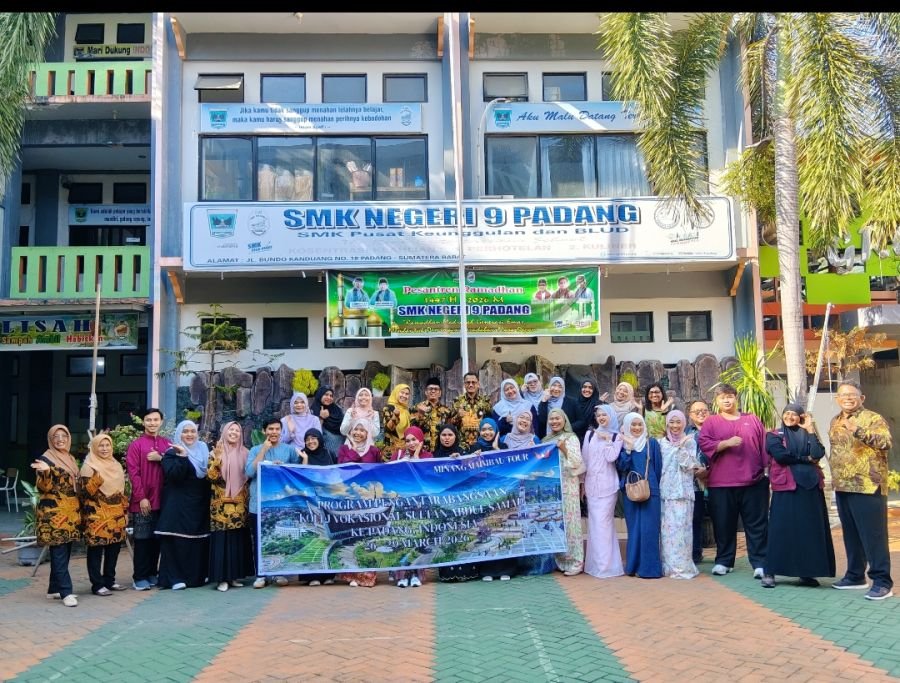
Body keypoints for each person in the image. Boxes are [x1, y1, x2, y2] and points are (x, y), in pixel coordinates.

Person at [828, 381, 893, 600]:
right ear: (837, 399)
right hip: (843, 486)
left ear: (861, 398)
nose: (847, 398)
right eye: (843, 395)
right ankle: (855, 576)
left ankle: (882, 581)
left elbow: (886, 442)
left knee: (874, 536)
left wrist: (858, 431)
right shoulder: (835, 420)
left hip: (867, 485)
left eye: (852, 395)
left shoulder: (873, 418)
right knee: (852, 534)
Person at [697, 384, 769, 579]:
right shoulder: (711, 422)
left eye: (730, 396)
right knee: (723, 524)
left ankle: (760, 562)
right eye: (722, 398)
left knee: (757, 525)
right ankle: (724, 561)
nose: (727, 400)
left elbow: (764, 446)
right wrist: (725, 444)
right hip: (721, 483)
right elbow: (704, 443)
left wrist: (765, 471)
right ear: (717, 401)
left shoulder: (752, 419)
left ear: (736, 398)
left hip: (753, 482)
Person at [762, 404, 835, 589]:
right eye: (786, 413)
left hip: (810, 488)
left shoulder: (807, 433)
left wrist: (810, 429)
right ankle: (770, 572)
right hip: (786, 487)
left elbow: (818, 453)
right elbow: (781, 456)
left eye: (794, 414)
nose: (789, 417)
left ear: (801, 417)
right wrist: (805, 459)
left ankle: (806, 573)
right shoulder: (774, 435)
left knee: (808, 530)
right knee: (780, 529)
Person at [156, 420, 211, 590]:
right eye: (185, 431)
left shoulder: (203, 451)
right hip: (178, 506)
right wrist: (182, 457)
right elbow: (174, 476)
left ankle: (196, 577)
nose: (189, 435)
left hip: (198, 505)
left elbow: (209, 477)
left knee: (196, 542)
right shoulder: (171, 453)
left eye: (192, 431)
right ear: (179, 434)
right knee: (176, 542)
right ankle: (174, 578)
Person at [246, 417, 300, 589]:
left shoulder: (289, 450)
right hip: (258, 503)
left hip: (281, 503)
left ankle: (280, 572)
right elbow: (249, 472)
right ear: (264, 431)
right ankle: (261, 575)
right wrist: (264, 450)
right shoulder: (255, 450)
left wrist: (281, 468)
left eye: (277, 429)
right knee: (259, 540)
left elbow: (297, 473)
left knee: (279, 539)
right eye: (271, 429)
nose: (274, 432)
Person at [31, 425, 81, 607]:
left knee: (65, 551)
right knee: (59, 551)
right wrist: (45, 472)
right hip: (54, 514)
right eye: (56, 436)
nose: (60, 439)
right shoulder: (46, 458)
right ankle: (66, 592)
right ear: (50, 439)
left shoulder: (70, 457)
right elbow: (43, 487)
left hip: (70, 513)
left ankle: (54, 589)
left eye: (64, 436)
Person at [126, 408, 171, 591]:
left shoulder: (167, 444)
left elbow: (173, 466)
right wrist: (141, 497)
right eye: (148, 420)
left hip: (163, 500)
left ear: (161, 421)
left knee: (157, 539)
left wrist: (161, 458)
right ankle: (140, 576)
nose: (152, 423)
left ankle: (153, 572)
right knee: (142, 539)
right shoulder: (136, 445)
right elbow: (133, 473)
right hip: (143, 501)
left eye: (155, 420)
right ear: (143, 422)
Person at [207, 421, 254, 593]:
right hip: (221, 506)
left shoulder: (246, 453)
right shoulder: (215, 452)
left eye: (237, 430)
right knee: (222, 542)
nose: (234, 433)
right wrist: (218, 459)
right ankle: (221, 579)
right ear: (225, 432)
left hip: (240, 505)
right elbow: (211, 477)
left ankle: (234, 577)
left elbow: (250, 474)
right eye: (231, 430)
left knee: (237, 541)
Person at [80, 433, 128, 596]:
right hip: (97, 515)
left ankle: (110, 580)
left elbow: (121, 490)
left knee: (113, 548)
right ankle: (97, 584)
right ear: (94, 447)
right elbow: (86, 492)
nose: (105, 448)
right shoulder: (89, 466)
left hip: (116, 514)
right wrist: (97, 479)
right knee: (96, 549)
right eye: (101, 445)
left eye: (107, 445)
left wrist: (124, 511)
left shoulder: (115, 464)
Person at [617, 413, 663, 578]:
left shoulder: (652, 443)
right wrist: (628, 450)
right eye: (633, 425)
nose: (636, 428)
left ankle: (649, 569)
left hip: (651, 490)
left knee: (650, 529)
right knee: (634, 529)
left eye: (639, 425)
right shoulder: (624, 444)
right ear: (628, 426)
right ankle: (633, 567)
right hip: (630, 491)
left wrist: (653, 485)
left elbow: (658, 468)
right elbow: (621, 467)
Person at [336, 418, 381, 589]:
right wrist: (353, 451)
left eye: (362, 430)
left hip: (369, 501)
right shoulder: (343, 449)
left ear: (368, 433)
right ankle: (352, 575)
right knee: (352, 537)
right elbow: (341, 469)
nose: (358, 433)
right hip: (350, 500)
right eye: (356, 429)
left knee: (369, 536)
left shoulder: (374, 450)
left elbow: (379, 472)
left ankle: (368, 576)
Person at [582, 405, 625, 579]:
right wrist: (582, 483)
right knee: (594, 525)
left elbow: (611, 457)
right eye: (599, 415)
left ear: (611, 416)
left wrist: (607, 440)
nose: (601, 418)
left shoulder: (617, 436)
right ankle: (595, 565)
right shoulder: (589, 434)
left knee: (604, 524)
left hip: (608, 486)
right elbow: (585, 459)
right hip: (592, 485)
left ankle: (607, 566)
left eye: (604, 415)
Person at [542, 408, 585, 576]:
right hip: (551, 488)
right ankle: (560, 560)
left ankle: (575, 561)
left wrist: (564, 449)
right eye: (551, 419)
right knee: (555, 523)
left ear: (564, 420)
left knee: (570, 524)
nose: (554, 422)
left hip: (568, 486)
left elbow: (577, 462)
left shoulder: (571, 438)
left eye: (557, 418)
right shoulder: (546, 439)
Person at [658, 410, 700, 579]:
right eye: (672, 422)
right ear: (667, 423)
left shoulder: (689, 442)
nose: (675, 426)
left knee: (682, 531)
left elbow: (689, 465)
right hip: (666, 492)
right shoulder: (661, 443)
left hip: (683, 492)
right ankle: (668, 566)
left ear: (684, 423)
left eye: (678, 422)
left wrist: (681, 446)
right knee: (667, 532)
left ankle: (682, 567)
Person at [391, 426, 431, 588]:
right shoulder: (397, 455)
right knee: (402, 540)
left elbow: (426, 479)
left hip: (420, 506)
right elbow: (391, 476)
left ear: (421, 440)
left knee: (417, 539)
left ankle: (416, 574)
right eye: (408, 440)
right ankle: (402, 575)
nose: (411, 443)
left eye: (414, 439)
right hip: (402, 504)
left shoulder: (428, 456)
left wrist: (415, 457)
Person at [297, 428, 336, 587]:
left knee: (328, 536)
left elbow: (337, 474)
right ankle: (311, 576)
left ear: (319, 439)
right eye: (308, 439)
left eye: (314, 438)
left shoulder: (329, 454)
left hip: (327, 501)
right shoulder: (302, 455)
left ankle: (329, 576)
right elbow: (299, 477)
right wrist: (305, 460)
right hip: (309, 503)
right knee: (313, 536)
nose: (311, 442)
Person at [685, 400, 711, 564]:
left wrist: (708, 470)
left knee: (721, 518)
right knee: (695, 518)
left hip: (716, 480)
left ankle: (723, 555)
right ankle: (695, 552)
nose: (701, 413)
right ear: (690, 415)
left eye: (704, 410)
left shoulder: (716, 429)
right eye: (696, 411)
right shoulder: (686, 432)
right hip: (693, 483)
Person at [450, 372, 494, 448]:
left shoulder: (485, 401)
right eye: (468, 382)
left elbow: (491, 422)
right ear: (464, 385)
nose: (471, 385)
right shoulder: (457, 401)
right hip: (462, 444)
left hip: (482, 443)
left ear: (478, 384)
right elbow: (450, 424)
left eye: (473, 382)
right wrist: (458, 416)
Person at [411, 376, 452, 453]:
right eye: (430, 389)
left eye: (436, 389)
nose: (433, 391)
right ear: (426, 392)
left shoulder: (446, 411)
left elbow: (449, 431)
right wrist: (420, 414)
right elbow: (412, 430)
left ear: (440, 393)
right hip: (421, 451)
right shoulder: (416, 408)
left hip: (441, 450)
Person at [310, 386, 344, 461]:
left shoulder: (337, 410)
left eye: (331, 396)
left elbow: (344, 428)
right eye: (326, 394)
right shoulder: (314, 411)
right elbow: (314, 433)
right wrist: (321, 418)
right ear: (320, 395)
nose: (329, 397)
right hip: (327, 455)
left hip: (341, 453)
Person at [381, 383, 412, 461]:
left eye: (407, 394)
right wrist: (396, 416)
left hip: (404, 449)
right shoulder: (388, 408)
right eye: (402, 392)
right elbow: (389, 428)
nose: (404, 396)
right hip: (391, 450)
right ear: (396, 392)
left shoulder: (406, 411)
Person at [571, 378, 603, 444]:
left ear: (594, 390)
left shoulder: (598, 404)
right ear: (581, 388)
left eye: (590, 388)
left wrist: (597, 406)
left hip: (591, 439)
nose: (587, 390)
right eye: (584, 387)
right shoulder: (573, 403)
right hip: (574, 438)